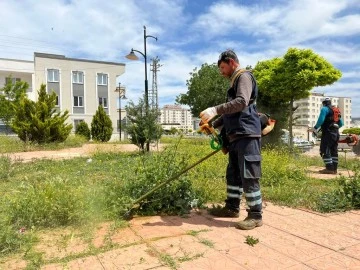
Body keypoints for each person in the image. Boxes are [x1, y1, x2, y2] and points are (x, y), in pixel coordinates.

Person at [199, 49, 263, 230]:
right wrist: (212, 123)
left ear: (232, 62)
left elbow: (242, 102)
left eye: (222, 67)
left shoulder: (243, 77)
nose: (221, 71)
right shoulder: (233, 82)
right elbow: (231, 112)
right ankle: (232, 208)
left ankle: (256, 215)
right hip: (235, 137)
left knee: (249, 174)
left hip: (247, 135)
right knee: (233, 173)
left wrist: (215, 109)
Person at [311, 97, 343, 174]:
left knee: (325, 149)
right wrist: (334, 128)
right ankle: (334, 169)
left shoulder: (324, 109)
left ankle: (329, 169)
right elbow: (341, 124)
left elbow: (321, 120)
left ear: (323, 103)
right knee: (334, 151)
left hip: (328, 133)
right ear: (330, 102)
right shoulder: (335, 110)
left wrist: (315, 128)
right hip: (336, 133)